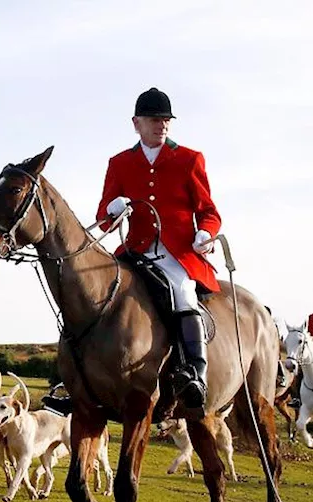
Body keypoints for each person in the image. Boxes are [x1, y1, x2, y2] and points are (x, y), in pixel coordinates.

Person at [98, 87, 221, 410]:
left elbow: (209, 212)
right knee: (98, 292)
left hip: (178, 252)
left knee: (182, 292)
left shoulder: (189, 159)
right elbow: (104, 221)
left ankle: (196, 371)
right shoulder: (120, 163)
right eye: (154, 119)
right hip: (135, 249)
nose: (162, 125)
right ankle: (80, 375)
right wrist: (113, 209)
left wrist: (205, 234)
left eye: (166, 120)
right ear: (136, 123)